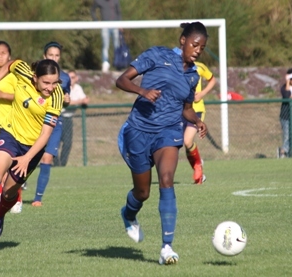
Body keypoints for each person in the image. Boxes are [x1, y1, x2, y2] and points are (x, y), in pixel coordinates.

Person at [116, 22, 208, 265]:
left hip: (168, 132)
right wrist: (142, 91)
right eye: (194, 44)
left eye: (202, 47)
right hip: (138, 130)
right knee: (142, 192)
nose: (198, 50)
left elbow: (186, 109)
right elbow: (121, 80)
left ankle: (167, 247)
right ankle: (128, 213)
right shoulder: (157, 55)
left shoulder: (193, 75)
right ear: (182, 40)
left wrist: (197, 121)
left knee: (166, 180)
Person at [0, 58, 64, 248]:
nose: (50, 87)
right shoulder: (23, 71)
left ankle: (0, 213)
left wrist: (27, 158)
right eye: (46, 82)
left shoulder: (57, 95)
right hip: (9, 134)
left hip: (32, 148)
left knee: (10, 194)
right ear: (35, 78)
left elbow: (45, 134)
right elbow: (9, 65)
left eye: (54, 82)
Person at [31, 41, 71, 207]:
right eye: (50, 55)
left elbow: (65, 100)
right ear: (44, 56)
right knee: (29, 156)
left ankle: (37, 198)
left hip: (54, 121)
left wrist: (67, 101)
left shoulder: (65, 77)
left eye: (57, 55)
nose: (54, 58)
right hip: (33, 121)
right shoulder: (35, 73)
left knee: (47, 158)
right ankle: (18, 185)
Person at [183, 61, 216, 184]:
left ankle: (198, 166)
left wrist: (202, 93)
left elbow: (212, 80)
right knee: (181, 144)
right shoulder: (176, 65)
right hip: (180, 110)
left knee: (187, 141)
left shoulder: (200, 66)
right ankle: (198, 171)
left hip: (196, 110)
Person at [54, 70, 90, 167]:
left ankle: (62, 165)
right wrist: (80, 101)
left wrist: (84, 100)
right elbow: (67, 102)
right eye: (69, 77)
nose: (71, 79)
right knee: (55, 143)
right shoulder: (62, 87)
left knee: (67, 143)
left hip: (68, 119)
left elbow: (85, 99)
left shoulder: (78, 88)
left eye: (73, 77)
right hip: (58, 118)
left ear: (76, 78)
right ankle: (56, 164)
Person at [90, 0, 122, 73]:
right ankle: (105, 63)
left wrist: (120, 23)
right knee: (105, 45)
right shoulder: (99, 1)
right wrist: (96, 21)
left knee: (116, 46)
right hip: (105, 26)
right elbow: (92, 10)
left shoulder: (115, 1)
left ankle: (118, 63)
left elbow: (118, 12)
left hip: (115, 26)